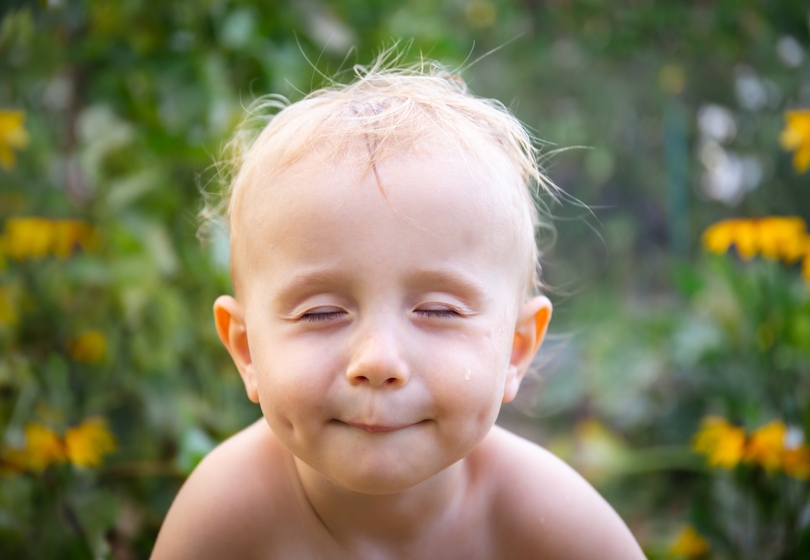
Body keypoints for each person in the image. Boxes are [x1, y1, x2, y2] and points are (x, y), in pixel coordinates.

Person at [151, 57, 646, 560]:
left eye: (439, 311)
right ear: (246, 348)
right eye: (320, 313)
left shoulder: (550, 520)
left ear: (516, 348)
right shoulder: (225, 515)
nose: (378, 360)